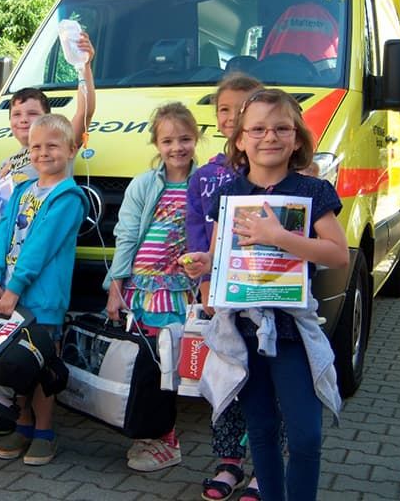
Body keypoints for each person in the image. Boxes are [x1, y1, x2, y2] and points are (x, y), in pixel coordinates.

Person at [181, 88, 346, 501]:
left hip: (291, 330)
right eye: (257, 129)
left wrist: (280, 237)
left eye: (281, 128)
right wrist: (204, 264)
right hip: (243, 330)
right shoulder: (229, 195)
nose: (269, 137)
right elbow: (219, 257)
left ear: (296, 137)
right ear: (239, 139)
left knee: (306, 435)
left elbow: (338, 254)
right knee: (261, 430)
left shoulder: (312, 192)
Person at [0, 114, 89, 466]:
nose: (43, 153)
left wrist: (14, 288)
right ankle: (22, 423)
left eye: (53, 146)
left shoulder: (69, 197)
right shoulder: (23, 191)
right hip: (9, 294)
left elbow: (40, 246)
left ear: (72, 149)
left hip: (40, 300)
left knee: (42, 365)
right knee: (16, 365)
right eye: (36, 147)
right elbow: (2, 235)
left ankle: (44, 430)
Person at [103, 102, 200, 472]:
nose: (177, 147)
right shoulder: (144, 184)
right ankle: (151, 435)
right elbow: (126, 236)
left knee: (169, 367)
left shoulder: (203, 183)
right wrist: (116, 287)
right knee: (146, 365)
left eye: (185, 139)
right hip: (142, 291)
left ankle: (166, 439)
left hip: (180, 292)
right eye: (168, 140)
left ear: (197, 139)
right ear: (156, 144)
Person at [186, 75, 264, 500]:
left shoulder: (279, 172)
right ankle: (228, 462)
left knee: (267, 381)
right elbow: (198, 235)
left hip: (269, 298)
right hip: (223, 298)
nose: (233, 117)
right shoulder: (206, 177)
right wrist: (204, 283)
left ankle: (265, 468)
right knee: (225, 376)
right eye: (225, 109)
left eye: (244, 108)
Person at [0, 32, 96, 184]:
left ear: (47, 118)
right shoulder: (5, 165)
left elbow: (85, 112)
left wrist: (84, 66)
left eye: (32, 113)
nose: (23, 120)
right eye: (17, 114)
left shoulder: (60, 144)